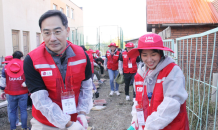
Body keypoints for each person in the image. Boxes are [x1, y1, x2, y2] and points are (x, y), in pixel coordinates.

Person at [23, 10, 92, 130]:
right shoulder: (32, 60)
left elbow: (86, 88)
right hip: (45, 123)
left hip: (75, 119)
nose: (52, 38)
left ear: (67, 31)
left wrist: (82, 113)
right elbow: (41, 100)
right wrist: (67, 124)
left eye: (57, 32)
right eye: (47, 33)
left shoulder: (82, 55)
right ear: (41, 34)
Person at [127, 33, 189, 130]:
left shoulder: (172, 71)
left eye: (153, 54)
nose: (149, 59)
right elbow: (137, 102)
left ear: (161, 53)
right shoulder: (139, 75)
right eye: (144, 55)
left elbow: (171, 104)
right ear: (140, 55)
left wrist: (149, 126)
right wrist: (135, 123)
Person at [3, 51, 29, 130]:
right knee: (23, 110)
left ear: (12, 56)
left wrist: (2, 90)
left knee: (12, 111)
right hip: (23, 92)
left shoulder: (6, 67)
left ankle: (13, 128)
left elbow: (2, 81)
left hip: (11, 92)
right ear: (21, 57)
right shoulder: (25, 65)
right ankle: (24, 127)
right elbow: (29, 77)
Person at [0, 55, 21, 127]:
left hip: (7, 90)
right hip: (15, 90)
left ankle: (11, 120)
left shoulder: (4, 69)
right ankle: (16, 122)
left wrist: (3, 90)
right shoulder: (16, 68)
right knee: (15, 107)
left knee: (10, 107)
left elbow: (2, 82)